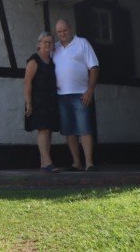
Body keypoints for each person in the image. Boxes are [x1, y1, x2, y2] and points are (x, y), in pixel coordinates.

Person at [53, 19, 99, 172]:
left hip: (81, 94)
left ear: (70, 28)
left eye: (64, 30)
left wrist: (90, 90)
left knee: (84, 128)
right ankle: (76, 162)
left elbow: (93, 67)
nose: (62, 34)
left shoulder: (82, 43)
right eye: (59, 32)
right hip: (61, 96)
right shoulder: (56, 48)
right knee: (69, 130)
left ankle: (89, 163)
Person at [24, 31, 61, 173]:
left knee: (49, 130)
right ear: (39, 44)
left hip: (50, 100)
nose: (47, 45)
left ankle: (44, 163)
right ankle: (47, 162)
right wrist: (28, 103)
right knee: (43, 129)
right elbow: (27, 82)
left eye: (50, 42)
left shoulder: (51, 62)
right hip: (37, 100)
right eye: (45, 42)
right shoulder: (34, 60)